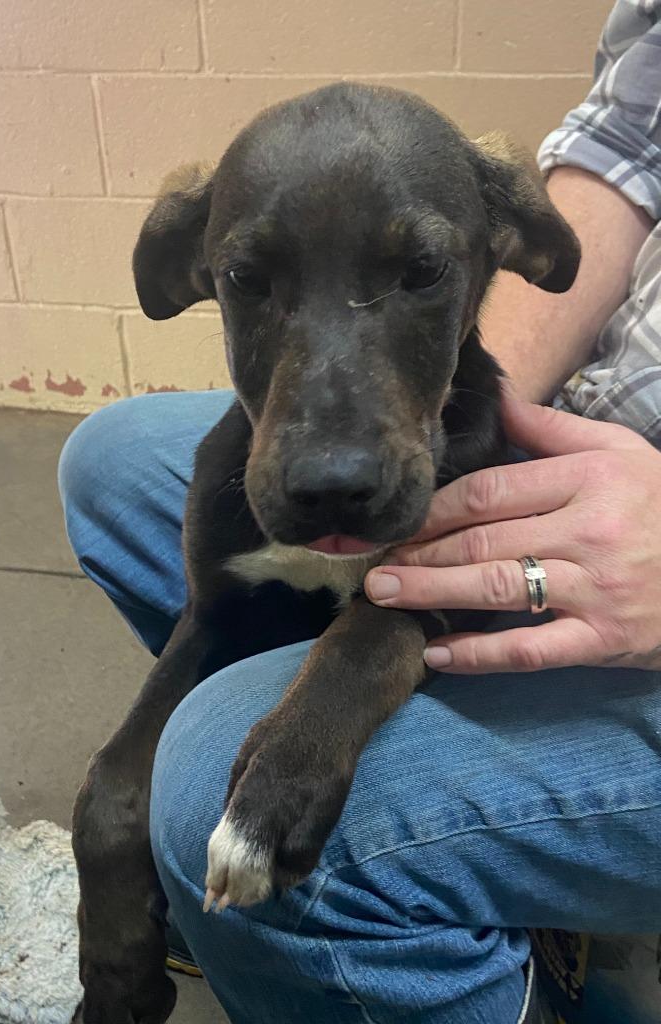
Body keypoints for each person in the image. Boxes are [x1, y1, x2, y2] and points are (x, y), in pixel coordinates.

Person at [58, 2, 661, 1020]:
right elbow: (625, 152)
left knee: (214, 776)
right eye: (253, 281)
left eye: (421, 271)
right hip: (585, 447)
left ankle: (465, 938)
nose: (332, 465)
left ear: (497, 243)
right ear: (199, 269)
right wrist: (104, 820)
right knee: (111, 459)